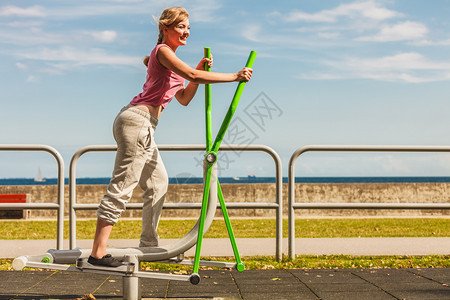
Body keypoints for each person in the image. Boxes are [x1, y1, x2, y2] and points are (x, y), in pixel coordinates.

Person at [88, 6, 253, 267]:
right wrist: (234, 76)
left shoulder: (173, 63)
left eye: (188, 27)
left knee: (158, 183)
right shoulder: (162, 51)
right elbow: (193, 75)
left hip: (145, 126)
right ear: (165, 28)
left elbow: (185, 97)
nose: (186, 31)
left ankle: (149, 245)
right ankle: (97, 253)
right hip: (137, 122)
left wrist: (196, 74)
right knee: (123, 186)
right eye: (180, 26)